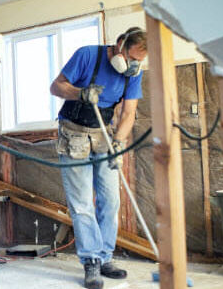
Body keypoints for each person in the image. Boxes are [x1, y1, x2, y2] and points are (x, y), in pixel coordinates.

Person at [49, 27, 147, 289]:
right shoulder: (87, 55)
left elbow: (127, 114)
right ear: (119, 46)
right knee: (82, 203)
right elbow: (55, 86)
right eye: (132, 58)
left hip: (105, 135)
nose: (134, 65)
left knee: (111, 200)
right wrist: (79, 93)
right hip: (74, 133)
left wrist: (118, 142)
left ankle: (105, 257)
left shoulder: (132, 75)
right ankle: (91, 261)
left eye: (139, 61)